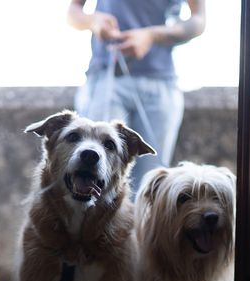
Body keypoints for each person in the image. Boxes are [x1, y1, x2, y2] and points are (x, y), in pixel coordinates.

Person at [67, 0, 206, 195]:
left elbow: (198, 20)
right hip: (106, 81)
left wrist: (152, 35)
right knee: (94, 180)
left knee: (150, 188)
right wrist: (93, 20)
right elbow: (73, 11)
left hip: (160, 85)